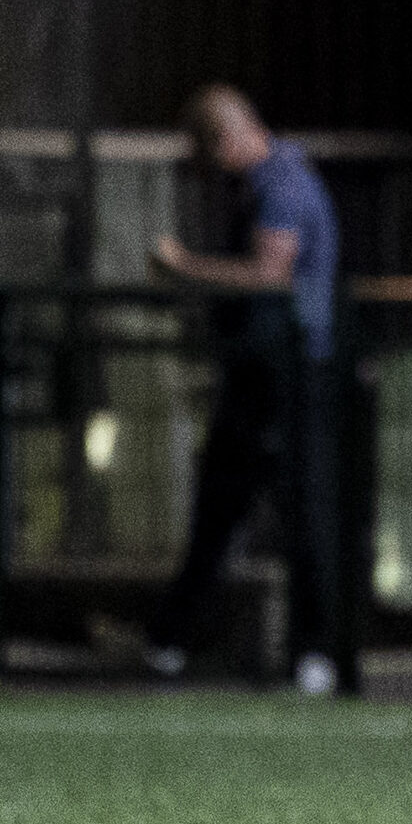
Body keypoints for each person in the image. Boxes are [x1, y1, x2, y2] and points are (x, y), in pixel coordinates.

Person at [144, 84, 345, 697]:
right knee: (219, 505)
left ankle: (318, 653)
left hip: (290, 376)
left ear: (227, 140)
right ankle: (170, 643)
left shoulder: (280, 180)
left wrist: (184, 267)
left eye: (210, 155)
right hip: (258, 374)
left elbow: (268, 274)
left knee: (303, 513)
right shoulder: (267, 179)